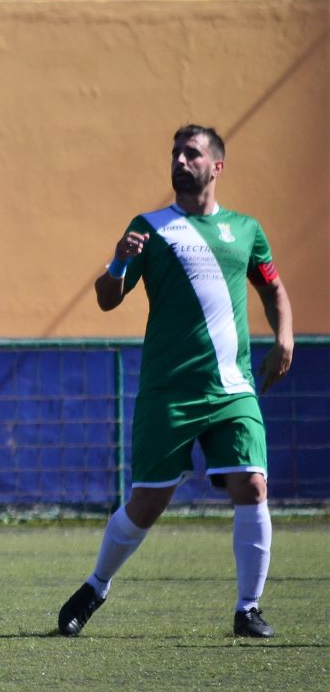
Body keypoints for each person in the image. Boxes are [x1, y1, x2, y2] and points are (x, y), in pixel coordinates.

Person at [58, 125, 293, 639]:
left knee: (253, 485)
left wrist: (285, 338)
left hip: (232, 388)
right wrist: (119, 260)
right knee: (147, 504)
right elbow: (107, 298)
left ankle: (248, 609)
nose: (181, 161)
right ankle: (96, 585)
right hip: (168, 391)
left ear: (217, 166)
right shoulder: (149, 227)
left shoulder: (246, 230)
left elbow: (273, 290)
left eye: (192, 153)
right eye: (176, 154)